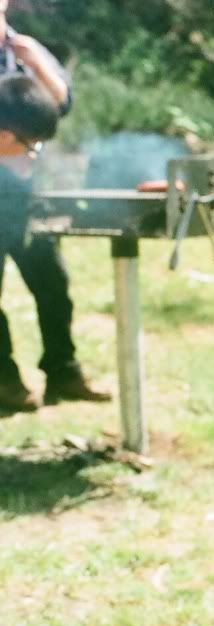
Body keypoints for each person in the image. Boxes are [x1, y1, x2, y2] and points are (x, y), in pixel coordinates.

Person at [0, 3, 110, 411]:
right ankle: (5, 382)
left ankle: (63, 372)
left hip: (24, 187)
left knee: (51, 283)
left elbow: (60, 104)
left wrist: (33, 61)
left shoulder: (25, 49)